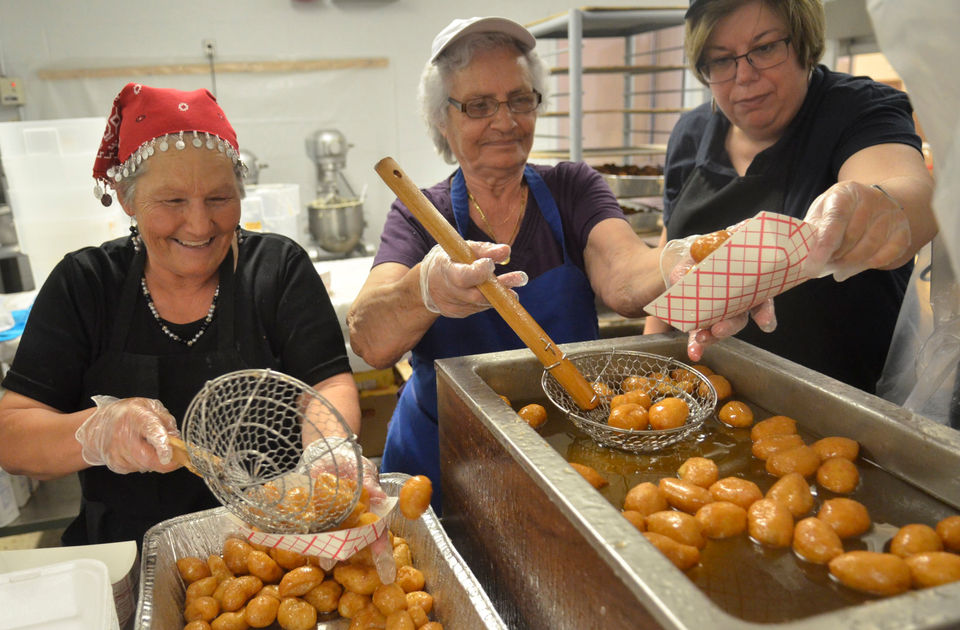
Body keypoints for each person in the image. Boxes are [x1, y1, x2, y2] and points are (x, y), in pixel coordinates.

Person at [0, 83, 360, 546]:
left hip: (275, 541)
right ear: (127, 199)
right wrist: (97, 432)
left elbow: (327, 386)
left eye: (219, 198)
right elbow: (12, 436)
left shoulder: (277, 269)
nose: (199, 224)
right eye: (172, 201)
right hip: (130, 551)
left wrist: (329, 455)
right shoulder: (86, 284)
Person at [347, 17, 665, 510]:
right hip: (443, 460)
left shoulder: (572, 188)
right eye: (479, 105)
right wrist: (425, 290)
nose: (505, 121)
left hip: (564, 451)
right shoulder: (419, 214)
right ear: (442, 120)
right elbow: (370, 340)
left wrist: (687, 261)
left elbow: (625, 279)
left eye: (519, 99)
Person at [643, 0, 937, 394]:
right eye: (721, 60)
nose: (744, 76)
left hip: (837, 402)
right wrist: (650, 375)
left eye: (765, 48)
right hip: (702, 394)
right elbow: (672, 270)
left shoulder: (857, 109)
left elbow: (909, 192)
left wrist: (875, 207)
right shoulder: (690, 132)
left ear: (803, 43)